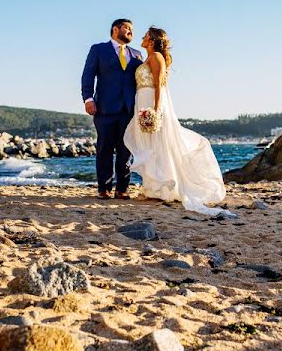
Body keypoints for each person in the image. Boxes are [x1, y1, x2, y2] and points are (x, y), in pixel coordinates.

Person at [123, 26, 228, 215]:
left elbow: (158, 85)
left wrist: (155, 110)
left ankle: (165, 188)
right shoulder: (145, 58)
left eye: (146, 36)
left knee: (158, 144)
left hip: (150, 102)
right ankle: (153, 187)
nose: (143, 37)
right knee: (147, 144)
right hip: (141, 101)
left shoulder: (156, 57)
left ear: (153, 41)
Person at [80, 19, 143, 199]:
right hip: (104, 108)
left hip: (129, 110)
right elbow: (88, 75)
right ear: (115, 29)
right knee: (104, 149)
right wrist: (88, 99)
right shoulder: (98, 49)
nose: (131, 31)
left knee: (126, 151)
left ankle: (122, 189)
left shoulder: (137, 54)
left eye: (132, 29)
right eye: (127, 28)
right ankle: (104, 189)